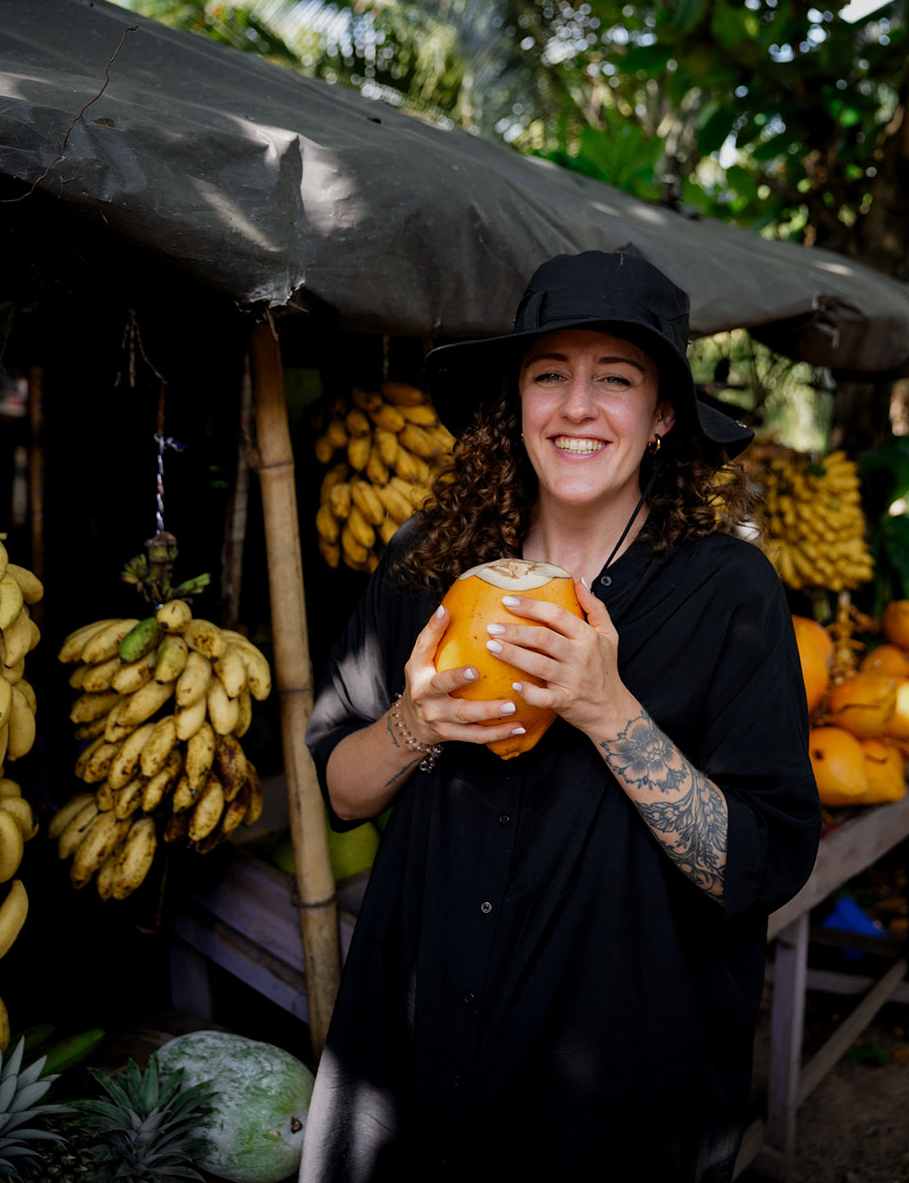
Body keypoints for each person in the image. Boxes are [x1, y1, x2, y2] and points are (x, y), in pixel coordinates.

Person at [299, 250, 822, 1183]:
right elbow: (339, 792)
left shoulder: (728, 593)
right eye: (551, 375)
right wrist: (415, 725)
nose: (578, 407)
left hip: (611, 1096)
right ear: (517, 402)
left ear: (663, 417)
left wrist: (608, 711)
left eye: (615, 379)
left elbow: (758, 864)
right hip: (416, 1063)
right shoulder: (430, 565)